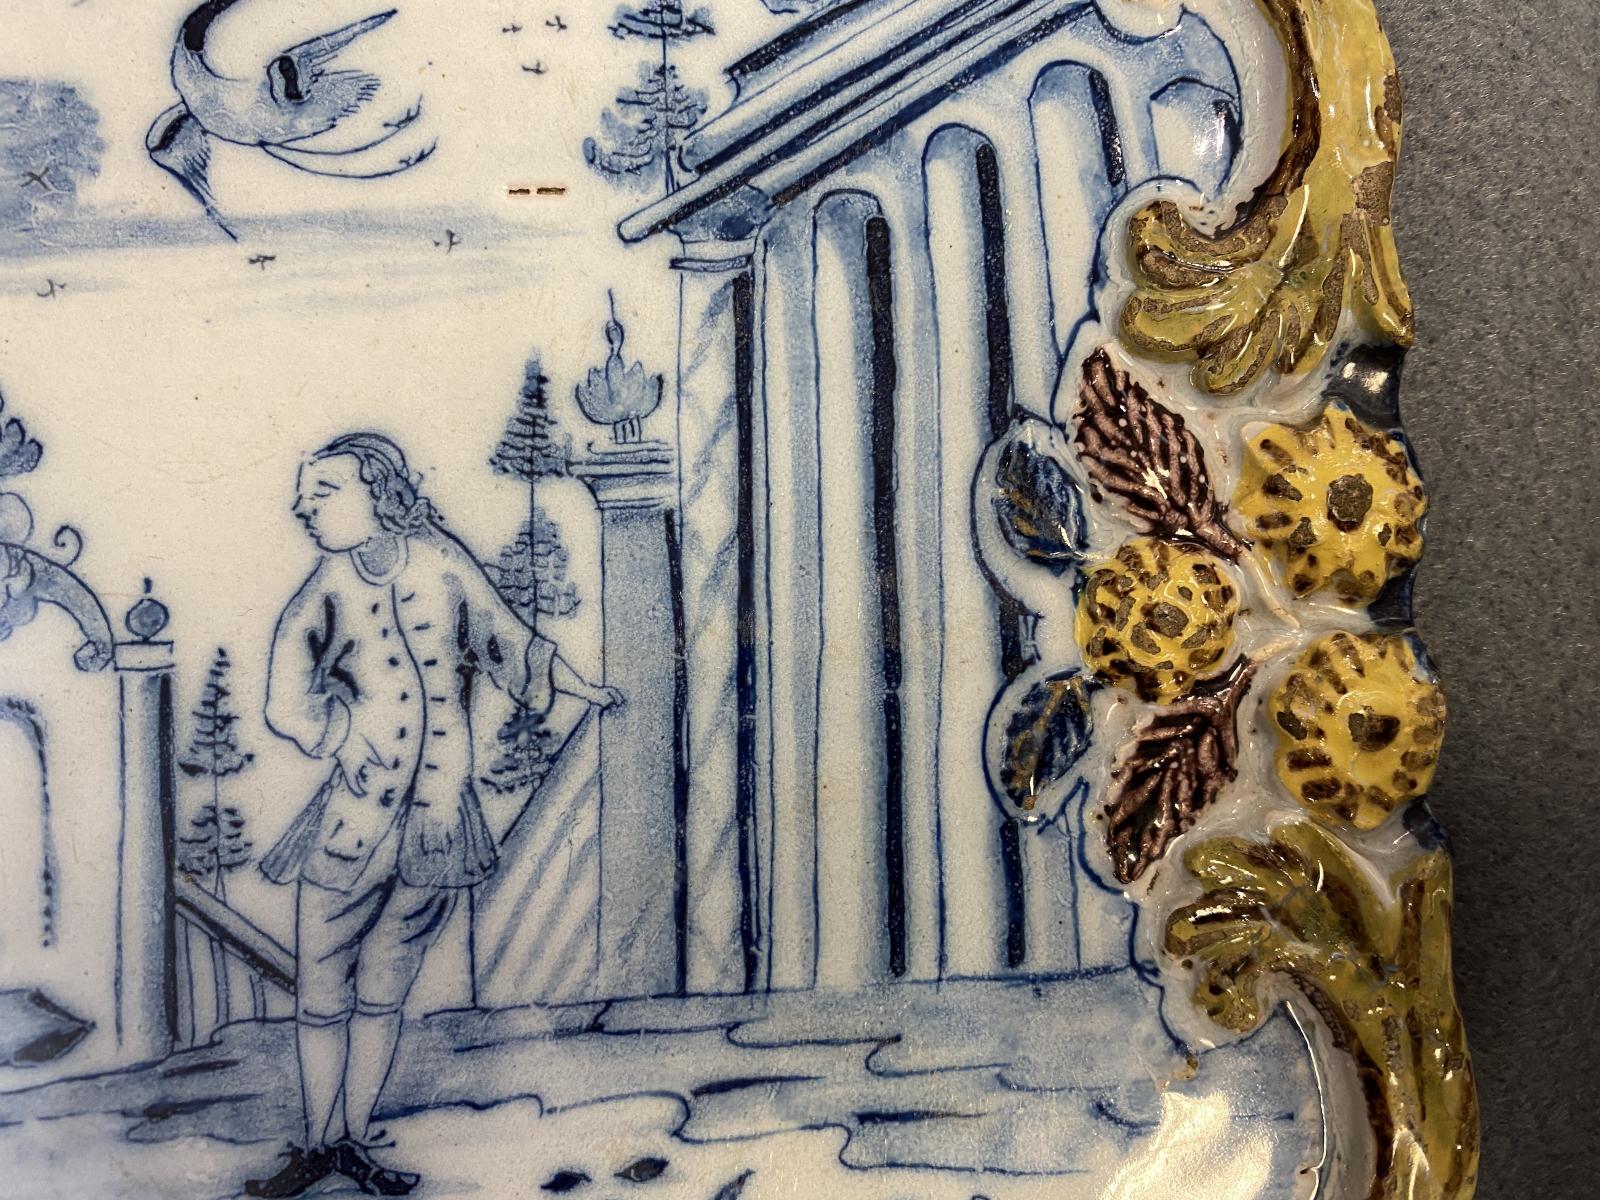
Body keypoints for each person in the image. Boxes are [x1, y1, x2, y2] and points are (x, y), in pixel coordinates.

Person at [245, 433, 618, 1198]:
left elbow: (508, 640)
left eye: (323, 493)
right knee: (321, 990)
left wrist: (582, 687)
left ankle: (352, 1140)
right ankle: (319, 1143)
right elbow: (285, 694)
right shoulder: (328, 584)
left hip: (439, 821)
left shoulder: (442, 562)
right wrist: (338, 735)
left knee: (385, 988)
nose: (303, 508)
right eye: (305, 494)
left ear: (378, 494)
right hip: (350, 824)